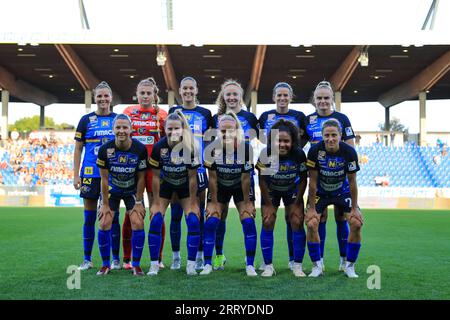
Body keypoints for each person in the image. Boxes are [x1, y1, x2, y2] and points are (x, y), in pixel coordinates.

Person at [303, 80, 356, 271]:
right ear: (314, 100)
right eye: (319, 98)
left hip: (340, 179)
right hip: (319, 179)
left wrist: (340, 169)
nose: (323, 101)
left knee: (342, 219)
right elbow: (297, 146)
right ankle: (320, 262)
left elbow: (351, 149)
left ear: (332, 99)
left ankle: (344, 261)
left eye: (326, 98)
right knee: (319, 218)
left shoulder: (343, 118)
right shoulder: (307, 120)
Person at [201, 112, 257, 276]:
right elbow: (211, 179)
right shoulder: (212, 148)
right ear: (218, 131)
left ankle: (250, 264)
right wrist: (212, 202)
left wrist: (247, 202)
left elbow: (246, 179)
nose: (227, 134)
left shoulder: (245, 148)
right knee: (212, 221)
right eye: (223, 131)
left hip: (240, 187)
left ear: (237, 130)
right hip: (220, 187)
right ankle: (211, 261)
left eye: (230, 130)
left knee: (248, 221)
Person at [305, 119, 363, 278]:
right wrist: (311, 209)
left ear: (340, 135)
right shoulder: (315, 151)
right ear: (322, 136)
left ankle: (349, 265)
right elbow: (313, 183)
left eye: (334, 135)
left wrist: (354, 208)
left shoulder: (349, 152)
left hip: (342, 191)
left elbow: (352, 182)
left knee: (356, 223)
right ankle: (317, 265)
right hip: (321, 192)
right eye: (327, 135)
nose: (330, 138)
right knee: (311, 223)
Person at [258, 82, 307, 271]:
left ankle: (297, 264)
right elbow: (261, 179)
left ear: (293, 141)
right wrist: (268, 201)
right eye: (279, 140)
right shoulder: (266, 153)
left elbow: (303, 179)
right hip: (271, 190)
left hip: (291, 189)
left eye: (287, 141)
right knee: (268, 219)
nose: (283, 144)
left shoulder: (299, 154)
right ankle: (268, 265)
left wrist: (296, 201)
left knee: (296, 219)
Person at [211, 79, 258, 271]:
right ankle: (219, 256)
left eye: (235, 94)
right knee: (217, 217)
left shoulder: (251, 118)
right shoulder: (215, 118)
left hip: (242, 175)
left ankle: (250, 263)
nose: (231, 97)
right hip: (221, 174)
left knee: (247, 216)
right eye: (228, 94)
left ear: (240, 97)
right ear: (223, 97)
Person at [147, 110, 200, 276]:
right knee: (156, 220)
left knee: (192, 220)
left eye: (176, 128)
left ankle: (191, 264)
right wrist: (155, 202)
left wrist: (192, 202)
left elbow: (192, 178)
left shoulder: (190, 148)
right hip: (166, 187)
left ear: (182, 129)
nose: (173, 132)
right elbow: (155, 177)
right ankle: (154, 264)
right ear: (164, 129)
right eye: (169, 129)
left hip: (184, 188)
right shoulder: (158, 147)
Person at [122, 77, 168, 269]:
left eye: (149, 93)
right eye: (142, 93)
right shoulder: (128, 112)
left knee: (157, 212)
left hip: (156, 171)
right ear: (137, 94)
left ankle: (158, 257)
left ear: (154, 95)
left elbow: (168, 142)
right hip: (134, 171)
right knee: (131, 212)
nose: (145, 96)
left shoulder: (163, 115)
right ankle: (127, 257)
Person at [168, 77, 213, 271]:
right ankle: (176, 257)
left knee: (198, 214)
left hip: (199, 169)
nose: (187, 91)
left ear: (196, 90)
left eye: (191, 88)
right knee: (176, 214)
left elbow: (211, 142)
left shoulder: (205, 113)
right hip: (177, 169)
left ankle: (200, 255)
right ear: (180, 90)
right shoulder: (173, 112)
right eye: (184, 88)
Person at [95, 114, 148, 276]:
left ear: (131, 129)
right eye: (118, 127)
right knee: (104, 223)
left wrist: (139, 202)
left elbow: (141, 178)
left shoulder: (140, 149)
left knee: (138, 222)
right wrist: (104, 204)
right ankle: (106, 264)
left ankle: (136, 264)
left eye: (125, 127)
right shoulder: (105, 149)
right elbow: (103, 179)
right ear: (113, 130)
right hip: (112, 191)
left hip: (131, 191)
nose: (121, 131)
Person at [73, 81, 117, 271]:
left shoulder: (118, 119)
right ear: (94, 98)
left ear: (111, 98)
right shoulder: (85, 120)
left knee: (112, 216)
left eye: (106, 96)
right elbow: (78, 149)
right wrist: (76, 175)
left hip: (113, 174)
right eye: (99, 96)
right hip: (90, 174)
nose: (102, 99)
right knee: (89, 217)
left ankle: (115, 259)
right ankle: (87, 259)